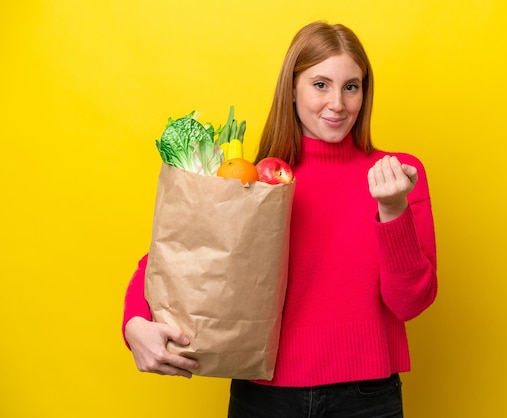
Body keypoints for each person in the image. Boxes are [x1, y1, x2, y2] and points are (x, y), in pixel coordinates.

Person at [122, 21, 437, 418]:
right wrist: (134, 324)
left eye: (351, 86)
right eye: (320, 84)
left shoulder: (397, 175)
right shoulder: (256, 178)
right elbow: (172, 259)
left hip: (367, 399)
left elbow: (410, 303)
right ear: (292, 88)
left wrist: (392, 210)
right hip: (265, 398)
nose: (338, 103)